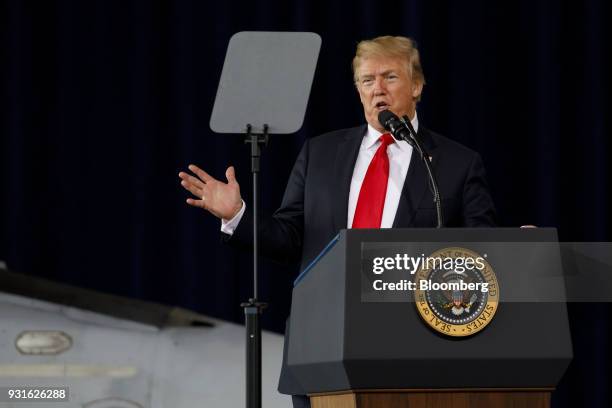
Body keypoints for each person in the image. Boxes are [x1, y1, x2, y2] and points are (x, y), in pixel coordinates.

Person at [179, 35, 496, 408]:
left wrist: (514, 252)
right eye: (367, 80)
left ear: (417, 85)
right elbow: (289, 237)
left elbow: (480, 251)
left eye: (390, 77)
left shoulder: (456, 164)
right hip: (323, 345)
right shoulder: (320, 154)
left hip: (413, 349)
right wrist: (237, 215)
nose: (378, 89)